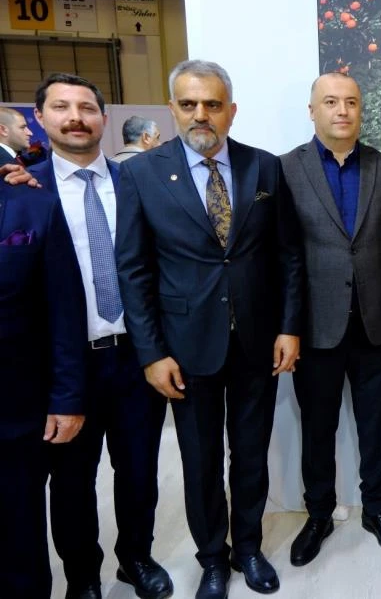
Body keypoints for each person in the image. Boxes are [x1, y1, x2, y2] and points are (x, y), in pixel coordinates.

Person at [115, 60, 303, 599]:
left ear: (231, 111)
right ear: (172, 109)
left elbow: (288, 256)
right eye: (189, 104)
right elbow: (134, 269)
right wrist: (151, 353)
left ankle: (248, 547)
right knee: (200, 463)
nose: (201, 114)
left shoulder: (264, 167)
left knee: (251, 453)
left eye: (213, 104)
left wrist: (289, 328)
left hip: (256, 342)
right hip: (184, 347)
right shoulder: (142, 174)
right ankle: (213, 558)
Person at [25, 74, 172, 599]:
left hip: (136, 356)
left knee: (139, 471)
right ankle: (82, 575)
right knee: (71, 480)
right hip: (66, 366)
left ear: (104, 119)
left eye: (87, 108)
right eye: (61, 107)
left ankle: (136, 558)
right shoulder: (24, 189)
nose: (75, 118)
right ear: (39, 118)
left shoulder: (137, 181)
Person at [280, 72, 381, 565]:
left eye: (351, 102)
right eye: (331, 102)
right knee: (318, 429)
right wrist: (286, 327)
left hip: (375, 323)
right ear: (312, 111)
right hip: (314, 329)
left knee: (376, 426)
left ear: (360, 109)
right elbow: (282, 255)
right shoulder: (286, 169)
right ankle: (318, 514)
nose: (342, 111)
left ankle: (377, 509)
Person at [0, 176, 87, 599]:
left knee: (19, 533)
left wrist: (67, 397)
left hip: (14, 410)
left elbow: (64, 312)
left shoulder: (33, 204)